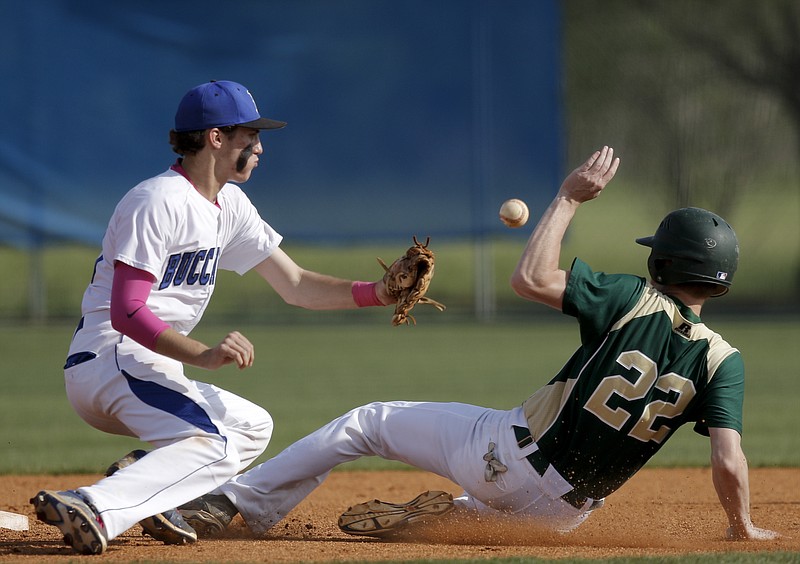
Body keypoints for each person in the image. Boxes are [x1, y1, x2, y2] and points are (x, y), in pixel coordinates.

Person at [174, 146, 779, 542]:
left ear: (664, 260)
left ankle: (236, 506)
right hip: (564, 516)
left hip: (509, 455)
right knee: (495, 506)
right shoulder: (724, 361)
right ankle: (448, 518)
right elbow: (728, 460)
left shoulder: (631, 298)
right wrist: (741, 527)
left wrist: (568, 197)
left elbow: (530, 280)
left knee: (365, 424)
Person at [30, 80, 399, 555]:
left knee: (251, 427)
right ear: (215, 138)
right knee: (219, 440)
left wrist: (381, 292)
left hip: (145, 365)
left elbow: (296, 285)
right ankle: (95, 504)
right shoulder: (157, 200)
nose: (260, 148)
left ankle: (147, 486)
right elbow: (127, 311)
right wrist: (203, 354)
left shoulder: (230, 205)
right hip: (111, 359)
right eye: (249, 136)